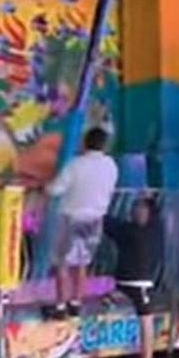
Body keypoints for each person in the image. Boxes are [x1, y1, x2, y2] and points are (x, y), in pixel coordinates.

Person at [46, 127, 119, 318]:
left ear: (85, 142)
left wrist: (43, 187)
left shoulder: (76, 164)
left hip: (71, 217)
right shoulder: (111, 165)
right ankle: (76, 302)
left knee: (62, 262)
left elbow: (55, 188)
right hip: (95, 219)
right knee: (81, 262)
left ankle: (60, 305)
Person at [106, 195, 167, 358]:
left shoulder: (139, 232)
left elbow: (108, 223)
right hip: (134, 283)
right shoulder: (137, 231)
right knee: (146, 325)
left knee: (146, 324)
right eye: (134, 207)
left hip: (134, 283)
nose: (135, 211)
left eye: (140, 208)